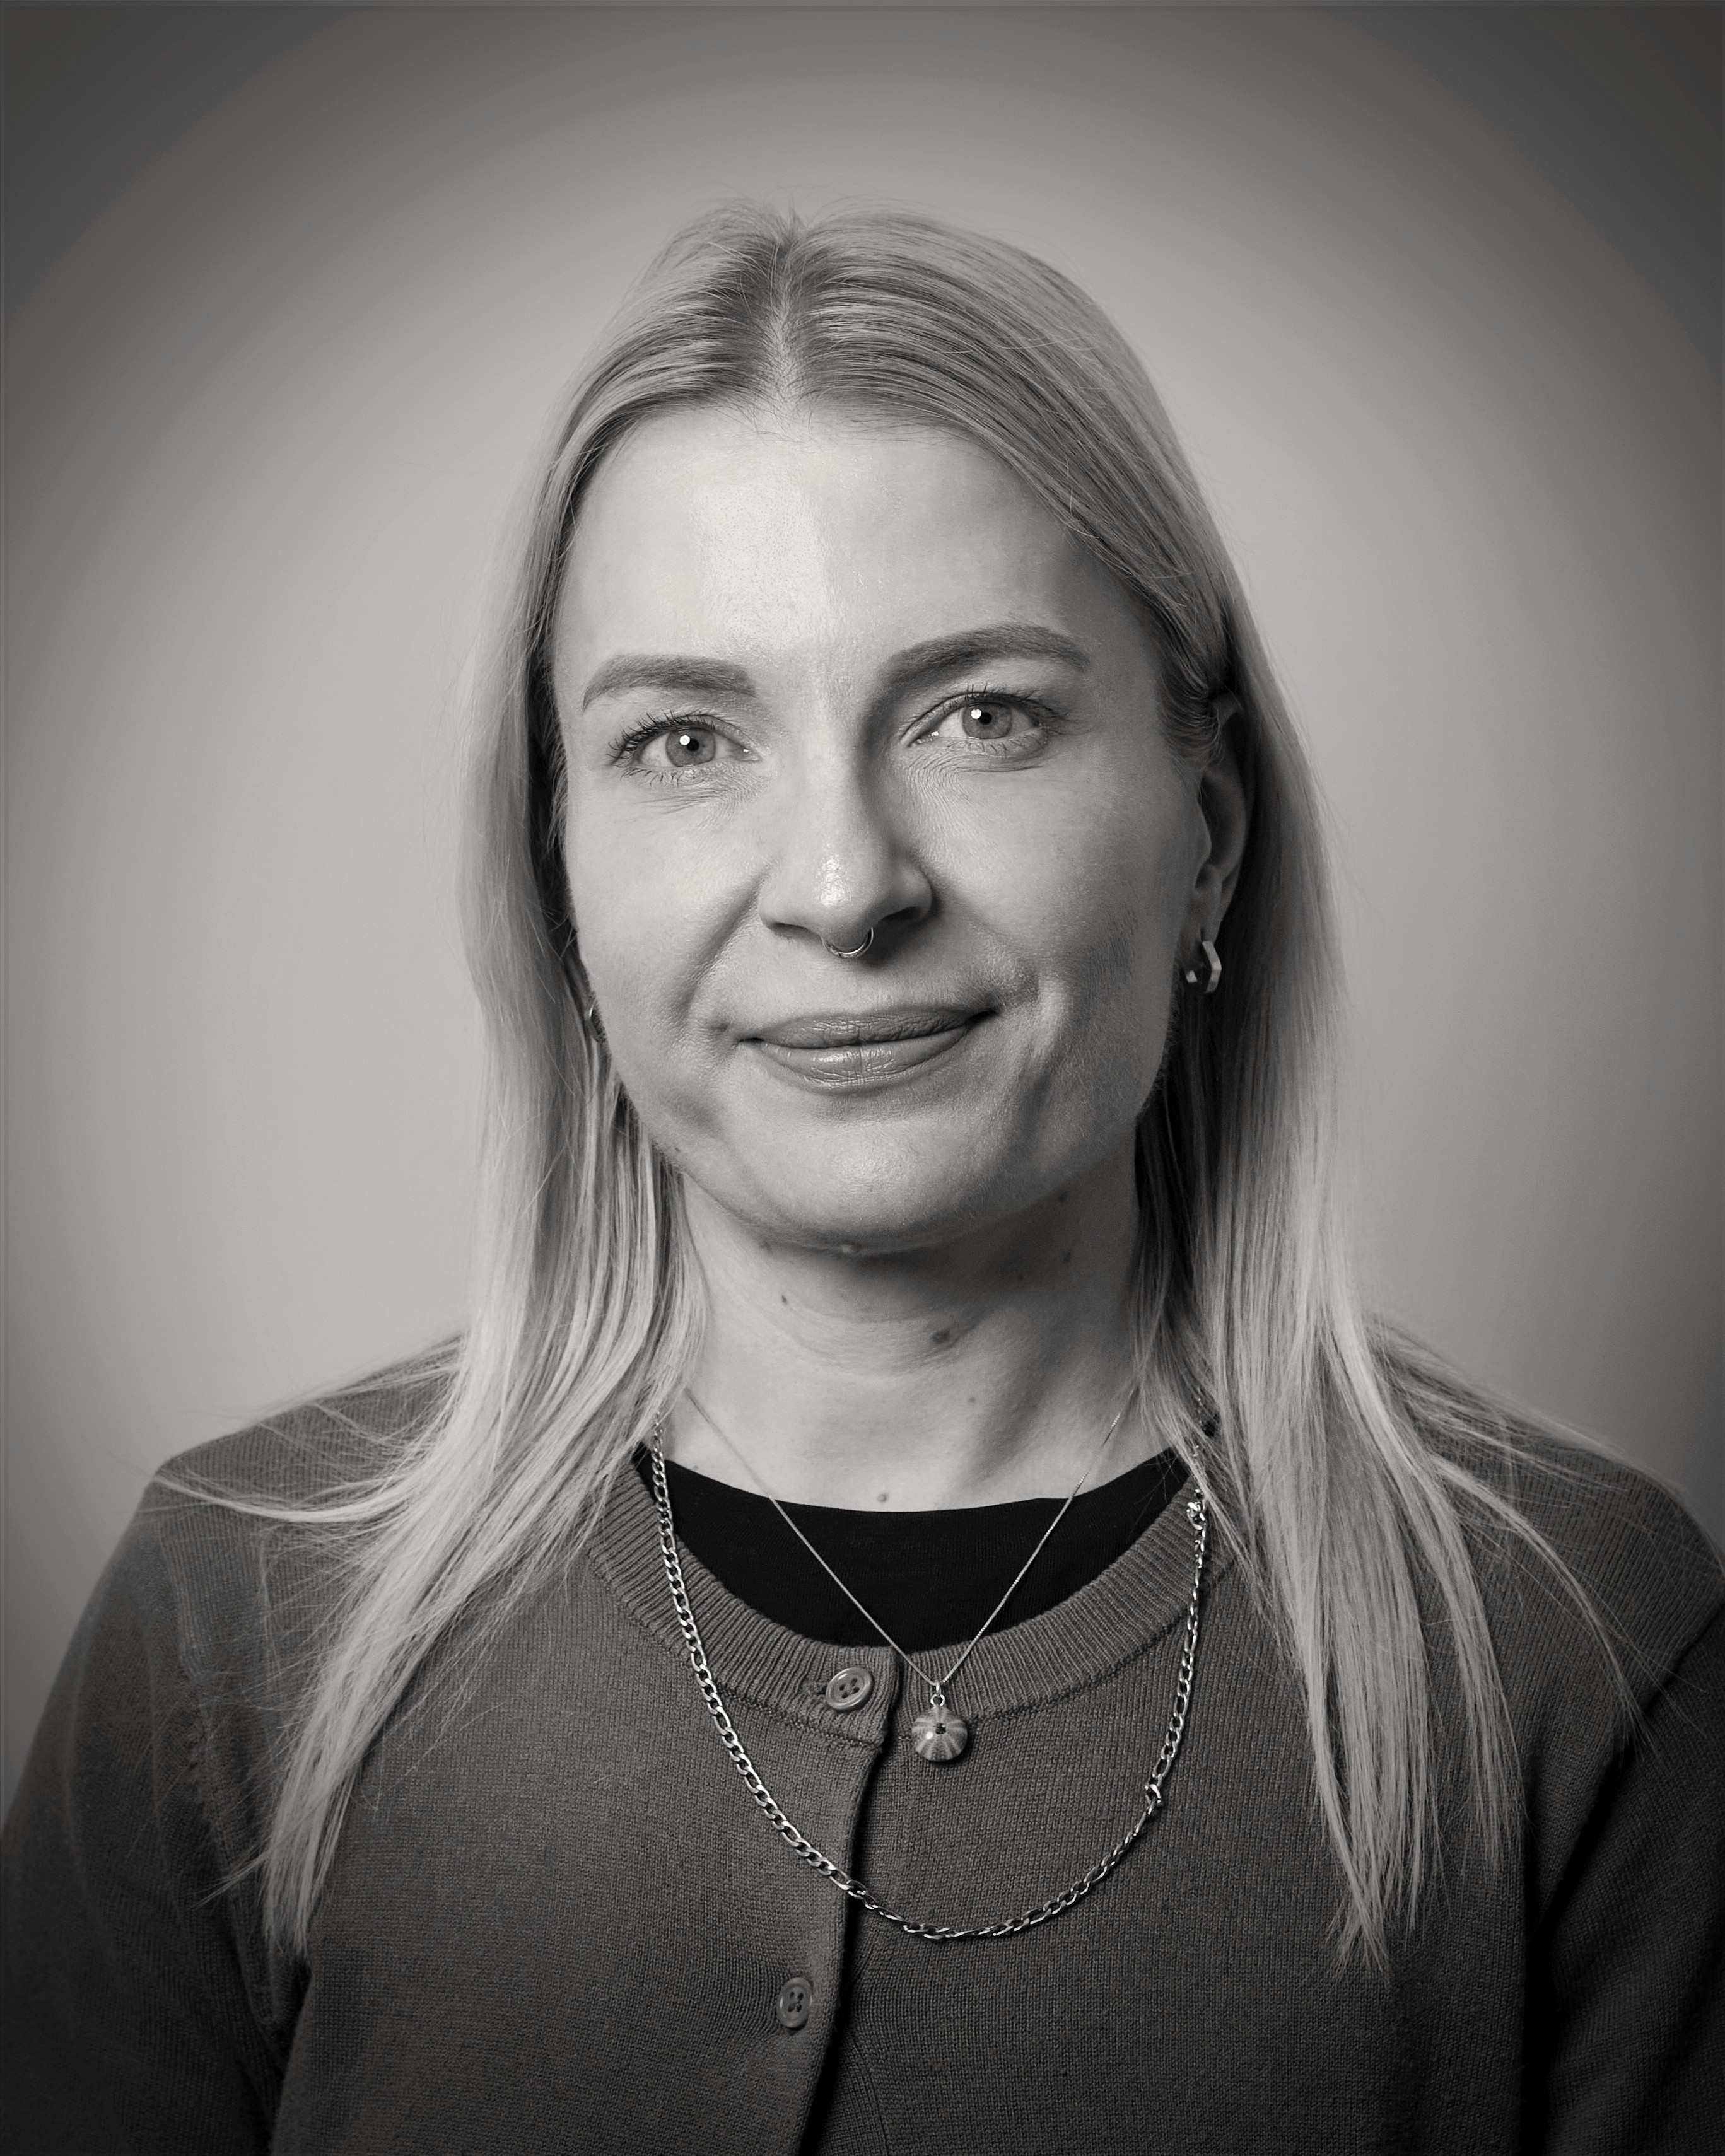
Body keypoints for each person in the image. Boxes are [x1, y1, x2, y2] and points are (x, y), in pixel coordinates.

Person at [4, 203, 1721, 2156]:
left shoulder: (1581, 1644)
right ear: (561, 884)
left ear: (1211, 835)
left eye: (981, 714)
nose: (842, 884)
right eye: (683, 738)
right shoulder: (234, 1618)